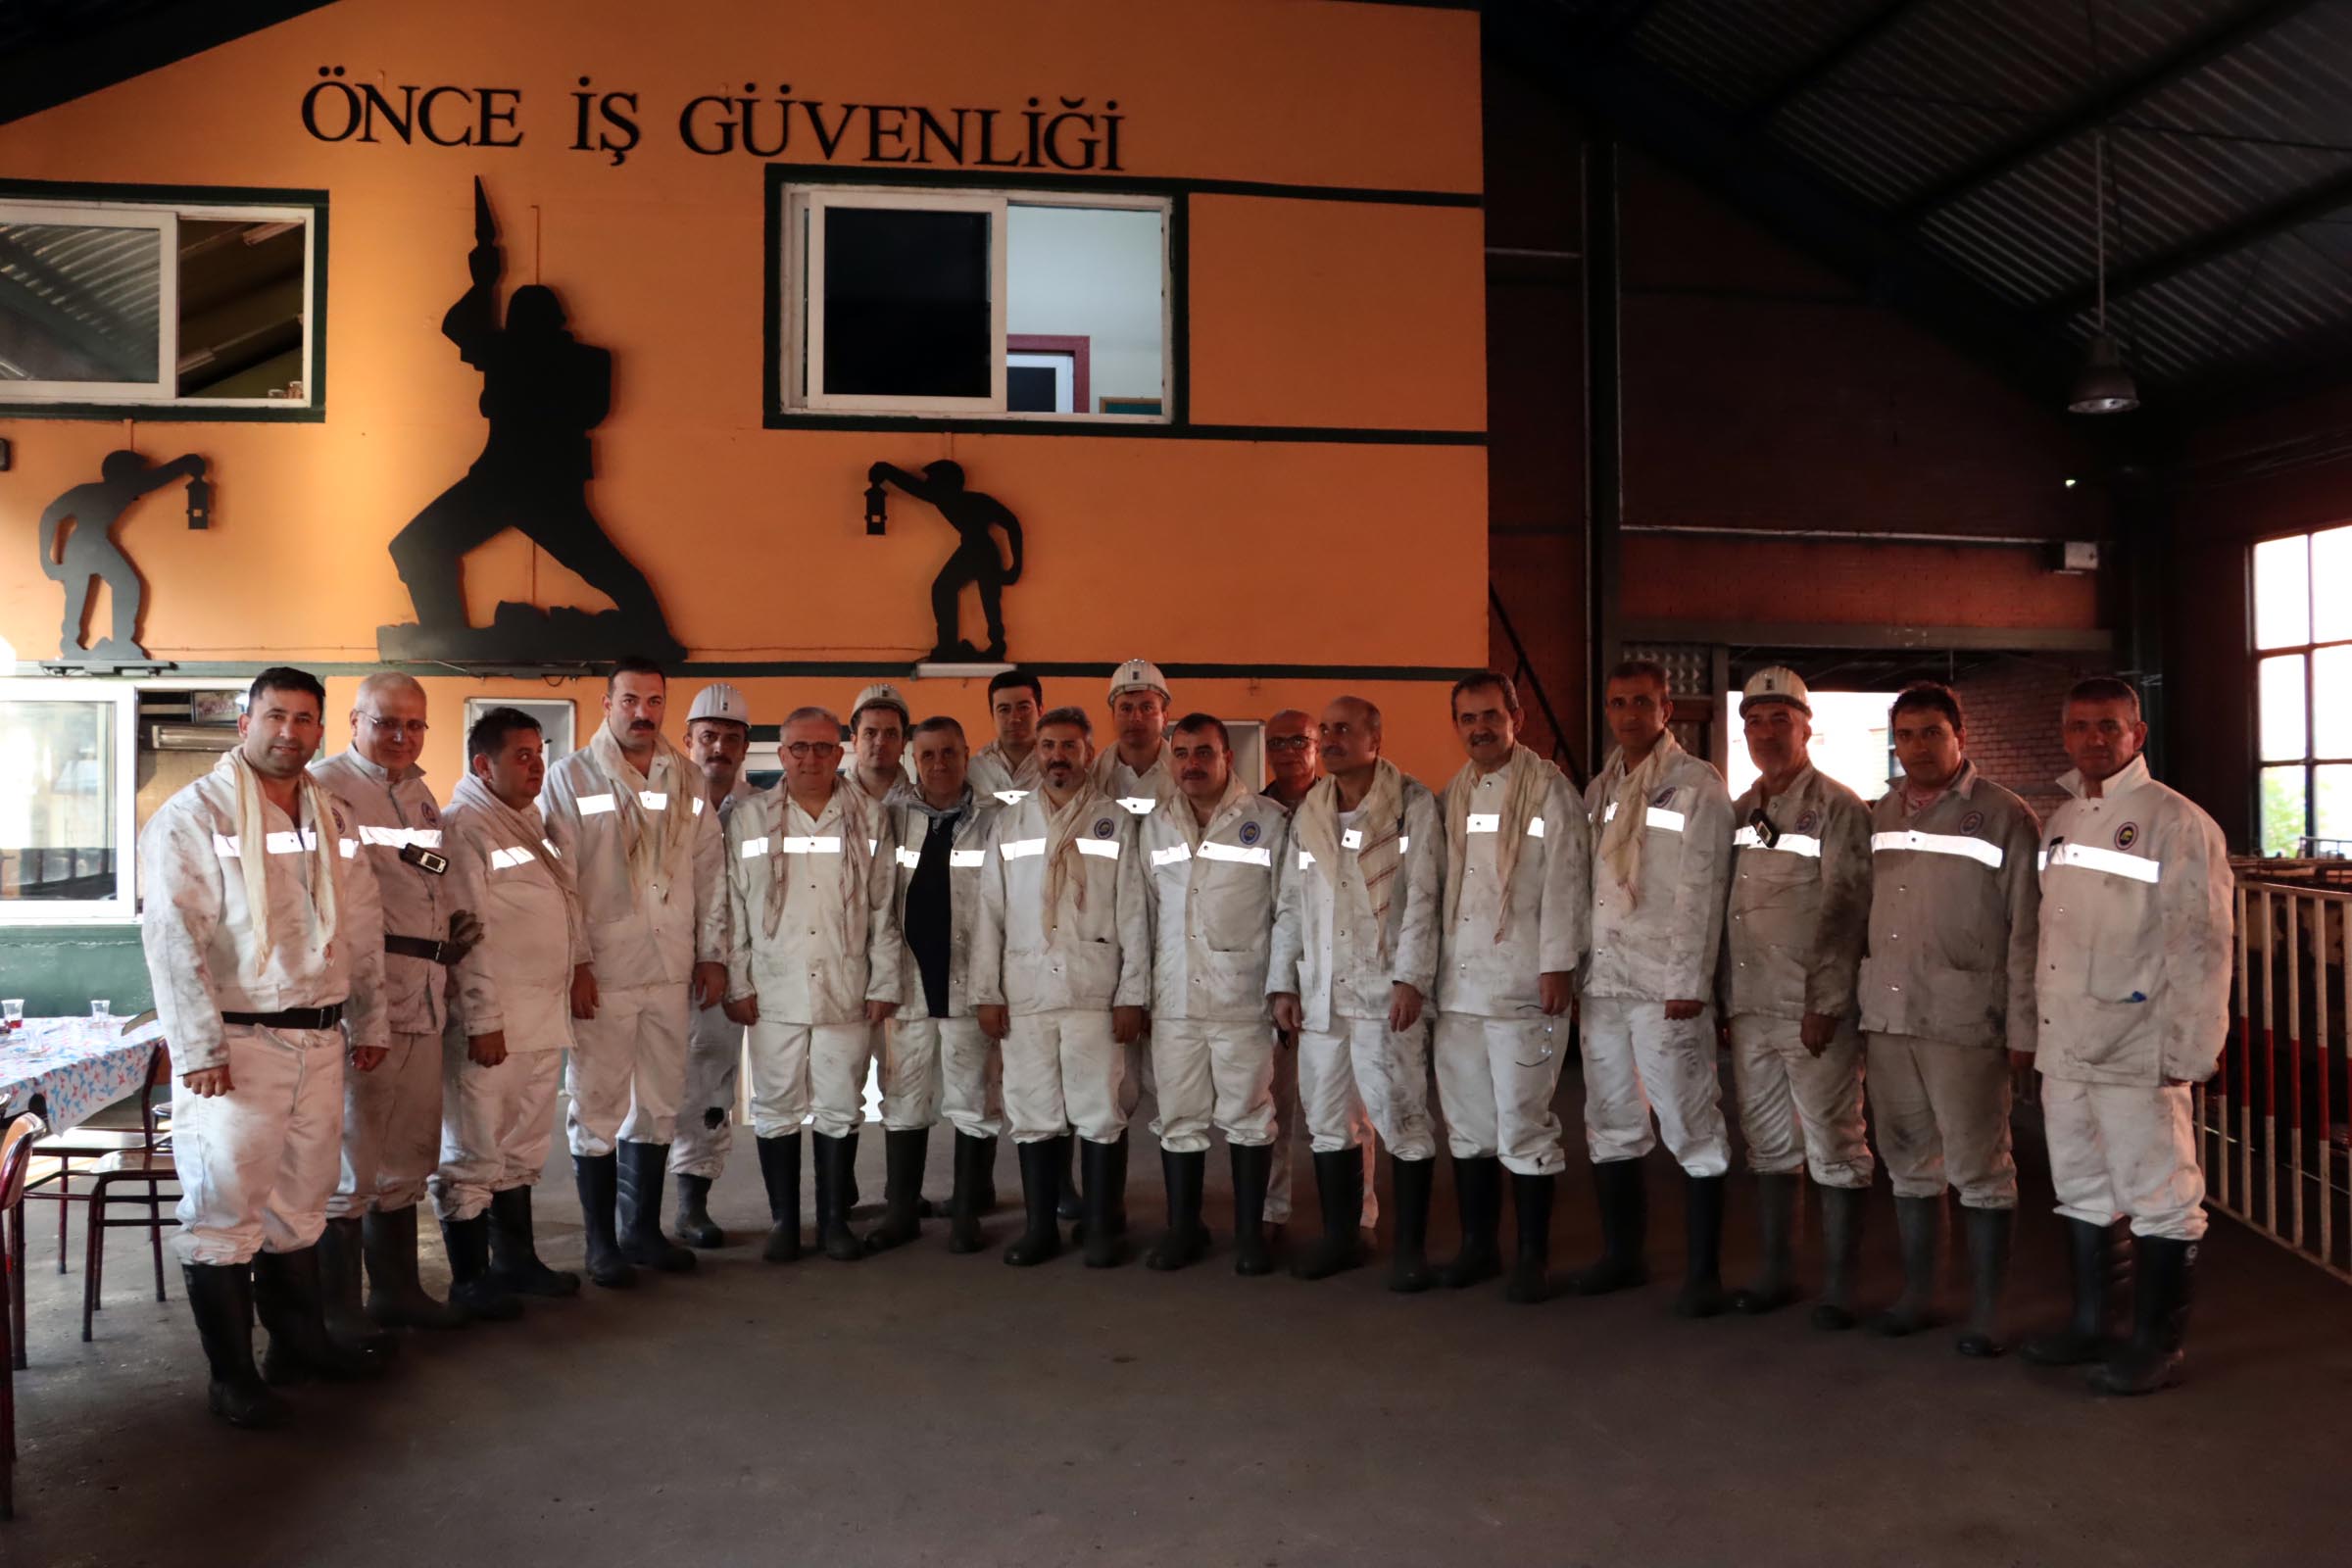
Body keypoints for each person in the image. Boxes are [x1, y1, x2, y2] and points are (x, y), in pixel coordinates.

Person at [140, 666, 389, 1428]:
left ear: (322, 730)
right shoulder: (195, 815)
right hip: (237, 1046)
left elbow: (363, 925)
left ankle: (298, 1345)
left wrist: (370, 1021)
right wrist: (197, 1048)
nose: (289, 732)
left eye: (305, 719)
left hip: (320, 1037)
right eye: (275, 716)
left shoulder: (332, 816)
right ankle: (232, 1377)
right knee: (225, 1209)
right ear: (244, 723)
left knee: (302, 1203)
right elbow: (173, 937)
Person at [2023, 677, 2231, 1396]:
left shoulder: (2176, 821)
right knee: (2081, 1186)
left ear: (2137, 735)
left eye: (2108, 726)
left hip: (2138, 1044)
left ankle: (2155, 1344)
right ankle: (2093, 1325)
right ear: (2064, 735)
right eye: (2079, 726)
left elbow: (2202, 944)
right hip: (2068, 1039)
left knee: (2160, 1194)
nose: (2093, 739)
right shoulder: (2062, 820)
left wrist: (2191, 1051)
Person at [1857, 681, 2040, 1353]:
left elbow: (2027, 929)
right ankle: (1921, 1295)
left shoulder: (2004, 816)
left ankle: (1988, 1311)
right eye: (1905, 736)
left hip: (1965, 1018)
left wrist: (2024, 1028)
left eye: (1931, 733)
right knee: (1907, 1159)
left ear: (1961, 736)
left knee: (1980, 1166)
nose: (1917, 748)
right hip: (1889, 1015)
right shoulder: (1880, 813)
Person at [539, 656, 727, 1287]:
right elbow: (561, 881)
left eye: (654, 701)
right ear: (607, 704)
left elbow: (709, 870)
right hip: (605, 971)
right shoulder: (571, 777)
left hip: (671, 966)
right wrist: (576, 963)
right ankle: (601, 1244)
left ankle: (642, 1232)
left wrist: (712, 952)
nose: (643, 713)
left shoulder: (687, 778)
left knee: (660, 1103)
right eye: (630, 701)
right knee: (597, 1106)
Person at [311, 672, 479, 1339]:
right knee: (352, 1155)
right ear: (355, 720)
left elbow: (430, 875)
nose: (401, 736)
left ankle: (397, 1291)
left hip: (426, 991)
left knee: (410, 1148)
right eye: (386, 722)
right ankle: (337, 1311)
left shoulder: (420, 795)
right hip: (366, 997)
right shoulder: (325, 789)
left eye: (414, 725)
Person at [1572, 660, 1736, 1316]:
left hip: (1666, 985)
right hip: (1605, 982)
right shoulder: (1600, 789)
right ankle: (1624, 1256)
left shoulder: (1696, 786)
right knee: (1610, 1120)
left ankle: (1704, 1274)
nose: (1629, 714)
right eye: (1618, 703)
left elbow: (1704, 890)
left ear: (1667, 709)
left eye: (1642, 701)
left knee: (1690, 1121)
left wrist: (1690, 982)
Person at [1267, 696, 1444, 1291]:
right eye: (1327, 730)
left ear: (1376, 738)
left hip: (1384, 993)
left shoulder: (1411, 805)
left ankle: (1410, 1250)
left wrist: (1411, 978)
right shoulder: (1312, 812)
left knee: (1402, 1119)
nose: (1332, 739)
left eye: (1345, 729)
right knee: (1327, 1121)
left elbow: (1423, 898)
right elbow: (1291, 905)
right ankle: (1342, 1238)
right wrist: (1283, 983)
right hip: (1321, 996)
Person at [1719, 668, 1873, 1326]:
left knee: (1835, 1145)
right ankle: (1777, 1273)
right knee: (1768, 1145)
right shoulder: (1739, 810)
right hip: (1752, 1006)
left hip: (1811, 1012)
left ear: (1807, 727)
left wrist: (1826, 1003)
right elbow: (1725, 908)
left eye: (1780, 719)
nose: (1766, 732)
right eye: (1754, 721)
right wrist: (1725, 999)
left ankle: (1840, 1287)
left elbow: (1846, 910)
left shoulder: (1839, 807)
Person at [970, 706, 1151, 1268]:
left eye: (1070, 746)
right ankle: (1040, 1228)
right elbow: (989, 910)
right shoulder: (1011, 823)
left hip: (1093, 989)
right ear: (1038, 754)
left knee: (1099, 1109)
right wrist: (986, 992)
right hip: (1025, 990)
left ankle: (1099, 1228)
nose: (1057, 757)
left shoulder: (1114, 820)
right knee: (1033, 1111)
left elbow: (1134, 912)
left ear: (1088, 753)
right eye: (1048, 746)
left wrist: (1132, 994)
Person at [1431, 673, 1590, 1304]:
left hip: (1525, 985)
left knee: (1524, 1123)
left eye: (1491, 715)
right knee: (1468, 1126)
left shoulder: (1549, 790)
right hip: (1460, 988)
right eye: (1468, 718)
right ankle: (1479, 1248)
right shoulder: (1453, 793)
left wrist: (1558, 965)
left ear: (1516, 717)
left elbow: (1568, 883)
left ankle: (1532, 1258)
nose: (1480, 728)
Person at [722, 707, 901, 1262]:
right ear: (782, 754)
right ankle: (783, 1222)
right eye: (799, 747)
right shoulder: (750, 818)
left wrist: (884, 980)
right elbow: (733, 907)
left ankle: (832, 1223)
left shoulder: (869, 817)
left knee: (840, 1104)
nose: (811, 758)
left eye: (823, 747)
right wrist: (737, 981)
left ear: (839, 753)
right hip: (773, 987)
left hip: (846, 984)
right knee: (776, 1106)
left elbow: (883, 906)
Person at [430, 707, 588, 1310]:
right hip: (493, 1026)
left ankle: (517, 1262)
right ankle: (471, 1281)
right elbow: (468, 933)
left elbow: (567, 904)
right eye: (521, 756)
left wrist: (580, 966)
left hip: (541, 1018)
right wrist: (483, 1021)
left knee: (523, 1150)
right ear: (483, 764)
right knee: (473, 1153)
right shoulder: (465, 828)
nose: (536, 767)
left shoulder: (534, 824)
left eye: (538, 754)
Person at [1137, 714, 1288, 1274]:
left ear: (1228, 757)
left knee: (1249, 1116)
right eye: (1181, 753)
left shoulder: (1268, 822)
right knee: (1179, 1117)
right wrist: (1140, 993)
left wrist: (1282, 986)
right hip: (1174, 1000)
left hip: (1241, 999)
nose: (1191, 764)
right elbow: (1142, 916)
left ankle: (1249, 1235)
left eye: (1204, 752)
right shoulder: (1155, 826)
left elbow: (1288, 912)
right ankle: (1185, 1230)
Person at [874, 716, 1006, 1252]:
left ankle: (967, 1212)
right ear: (913, 760)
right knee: (904, 1098)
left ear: (967, 754)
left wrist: (993, 988)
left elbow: (1003, 909)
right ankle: (901, 1211)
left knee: (973, 1100)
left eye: (949, 752)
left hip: (968, 983)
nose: (939, 764)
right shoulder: (892, 819)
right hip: (908, 984)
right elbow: (879, 903)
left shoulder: (995, 820)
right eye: (927, 755)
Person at [1259, 709, 1378, 1242]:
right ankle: (1272, 1210)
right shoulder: (1254, 813)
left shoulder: (1347, 805)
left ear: (1315, 747)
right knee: (1271, 1104)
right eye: (1277, 742)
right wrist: (1279, 981)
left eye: (1299, 741)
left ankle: (1361, 1217)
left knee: (1352, 1105)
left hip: (1343, 978)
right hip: (1277, 977)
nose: (1288, 751)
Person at [1080, 658, 1175, 1227]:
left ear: (1164, 713)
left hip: (1177, 945)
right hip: (1106, 951)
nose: (1136, 716)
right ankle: (1103, 1210)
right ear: (1111, 714)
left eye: (1147, 706)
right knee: (1108, 1090)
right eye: (1125, 706)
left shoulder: (1186, 772)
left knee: (1175, 1090)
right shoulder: (1090, 779)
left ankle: (1179, 1216)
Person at [669, 683, 759, 1249]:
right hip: (663, 961)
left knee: (712, 1083)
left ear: (745, 746)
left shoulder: (761, 810)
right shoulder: (665, 802)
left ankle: (691, 1204)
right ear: (688, 741)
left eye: (730, 737)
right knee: (648, 1085)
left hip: (731, 967)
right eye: (708, 736)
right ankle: (632, 1213)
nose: (718, 747)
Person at [968, 668, 1044, 805]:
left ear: (1040, 710)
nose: (1014, 718)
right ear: (992, 714)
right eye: (1004, 709)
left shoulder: (1055, 764)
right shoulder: (975, 770)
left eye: (1024, 708)